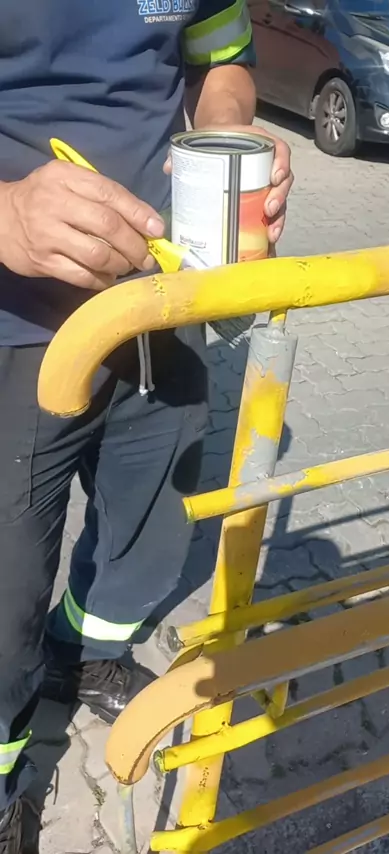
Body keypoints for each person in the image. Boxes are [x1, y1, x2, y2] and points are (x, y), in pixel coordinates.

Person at [0, 1, 293, 849]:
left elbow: (222, 58)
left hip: (164, 297)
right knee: (4, 590)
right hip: (15, 324)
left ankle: (80, 649)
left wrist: (233, 138)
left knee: (153, 527)